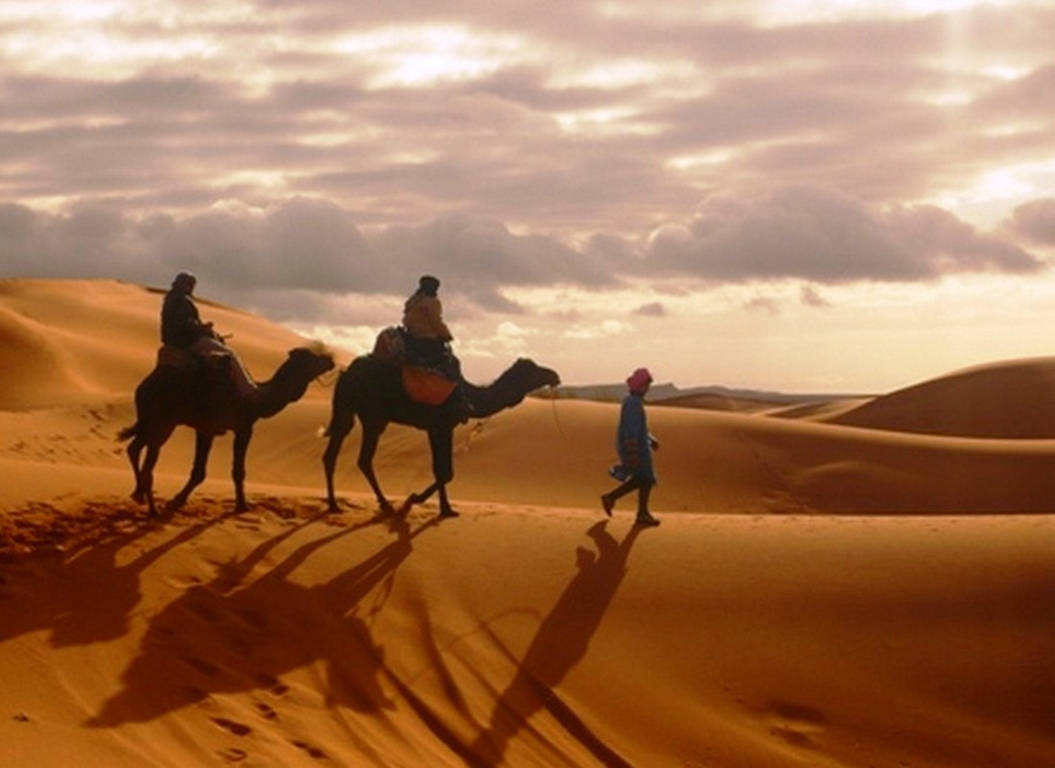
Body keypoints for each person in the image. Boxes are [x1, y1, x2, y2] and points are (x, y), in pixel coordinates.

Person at [161, 272, 256, 399]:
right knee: (230, 355)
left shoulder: (172, 298)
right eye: (190, 285)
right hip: (186, 341)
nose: (191, 288)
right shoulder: (181, 300)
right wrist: (203, 328)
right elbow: (185, 323)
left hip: (176, 340)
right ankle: (248, 391)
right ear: (186, 285)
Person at [601, 367, 660, 527]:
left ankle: (633, 508)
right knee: (645, 479)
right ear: (640, 385)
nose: (647, 388)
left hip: (638, 446)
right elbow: (632, 429)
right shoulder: (633, 403)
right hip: (635, 448)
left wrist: (650, 439)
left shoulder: (633, 402)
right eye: (646, 384)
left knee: (643, 479)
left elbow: (641, 428)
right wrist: (633, 451)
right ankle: (638, 512)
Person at [401, 274, 456, 375]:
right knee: (451, 363)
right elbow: (436, 322)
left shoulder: (413, 300)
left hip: (410, 336)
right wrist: (447, 335)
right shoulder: (432, 302)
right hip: (426, 339)